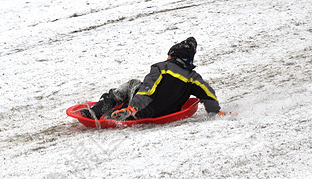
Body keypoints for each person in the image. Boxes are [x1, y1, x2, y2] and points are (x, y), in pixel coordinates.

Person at [80, 37, 221, 120]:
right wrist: (215, 111)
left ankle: (98, 110)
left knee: (133, 83)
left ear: (173, 56)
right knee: (139, 91)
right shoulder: (193, 78)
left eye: (169, 56)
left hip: (141, 112)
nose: (167, 58)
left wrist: (132, 109)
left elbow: (148, 89)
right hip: (166, 113)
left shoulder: (162, 67)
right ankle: (122, 108)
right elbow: (209, 95)